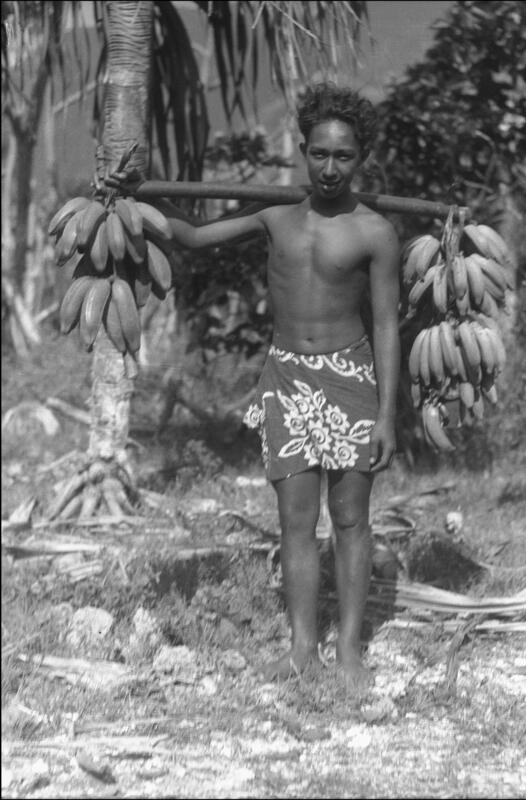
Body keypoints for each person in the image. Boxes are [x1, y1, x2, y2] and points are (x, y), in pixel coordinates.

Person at [109, 83, 400, 688]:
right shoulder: (274, 216)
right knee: (296, 522)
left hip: (350, 379)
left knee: (350, 519)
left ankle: (347, 652)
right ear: (302, 150)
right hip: (288, 379)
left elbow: (387, 325)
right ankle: (301, 649)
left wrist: (387, 415)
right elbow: (192, 237)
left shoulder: (375, 233)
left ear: (361, 159)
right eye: (318, 153)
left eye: (342, 157)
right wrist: (131, 201)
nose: (328, 168)